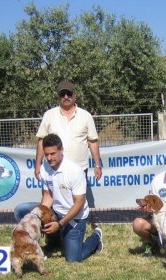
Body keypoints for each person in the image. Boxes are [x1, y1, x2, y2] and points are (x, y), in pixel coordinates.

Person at [14, 80, 104, 222]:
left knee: (76, 203)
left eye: (69, 93)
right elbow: (41, 141)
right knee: (51, 201)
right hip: (52, 169)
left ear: (75, 95)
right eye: (63, 94)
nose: (66, 96)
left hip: (79, 168)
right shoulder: (49, 115)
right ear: (58, 96)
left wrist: (97, 165)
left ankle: (77, 229)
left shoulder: (85, 116)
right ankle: (52, 232)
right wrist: (37, 164)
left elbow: (92, 141)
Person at [39, 134, 103, 262]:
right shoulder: (44, 167)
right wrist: (39, 217)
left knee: (73, 259)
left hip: (75, 217)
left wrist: (60, 224)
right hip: (56, 212)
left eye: (53, 154)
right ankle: (55, 240)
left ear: (61, 150)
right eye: (46, 155)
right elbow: (48, 196)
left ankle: (96, 237)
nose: (49, 158)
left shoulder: (74, 171)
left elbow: (79, 204)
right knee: (23, 210)